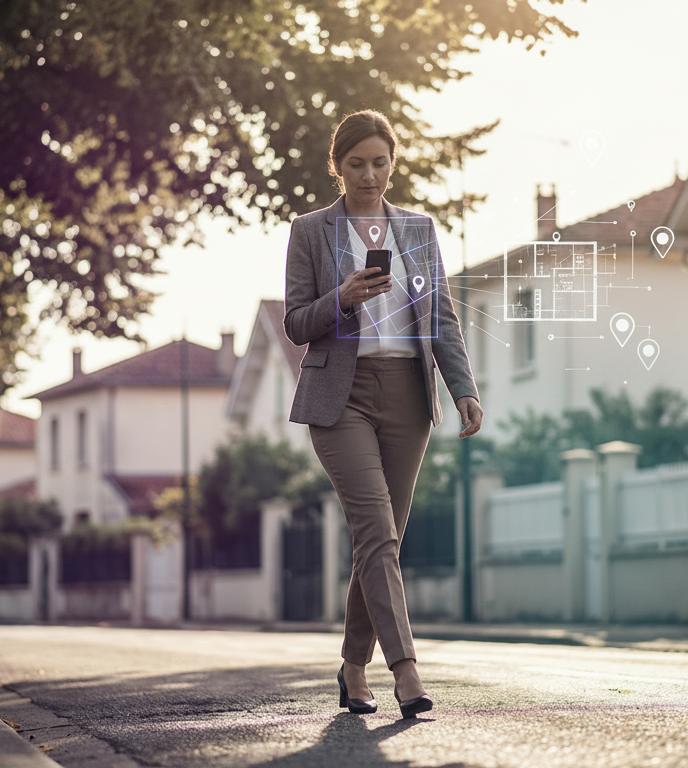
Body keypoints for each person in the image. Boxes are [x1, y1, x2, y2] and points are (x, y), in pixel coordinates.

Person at [282, 110, 483, 719]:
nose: (369, 175)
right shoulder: (311, 231)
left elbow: (441, 316)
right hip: (338, 397)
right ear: (337, 166)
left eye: (380, 162)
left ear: (392, 163)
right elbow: (294, 323)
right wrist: (337, 300)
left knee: (382, 542)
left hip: (408, 396)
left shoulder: (418, 230)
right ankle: (407, 671)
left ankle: (351, 667)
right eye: (356, 164)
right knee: (377, 534)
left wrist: (463, 387)